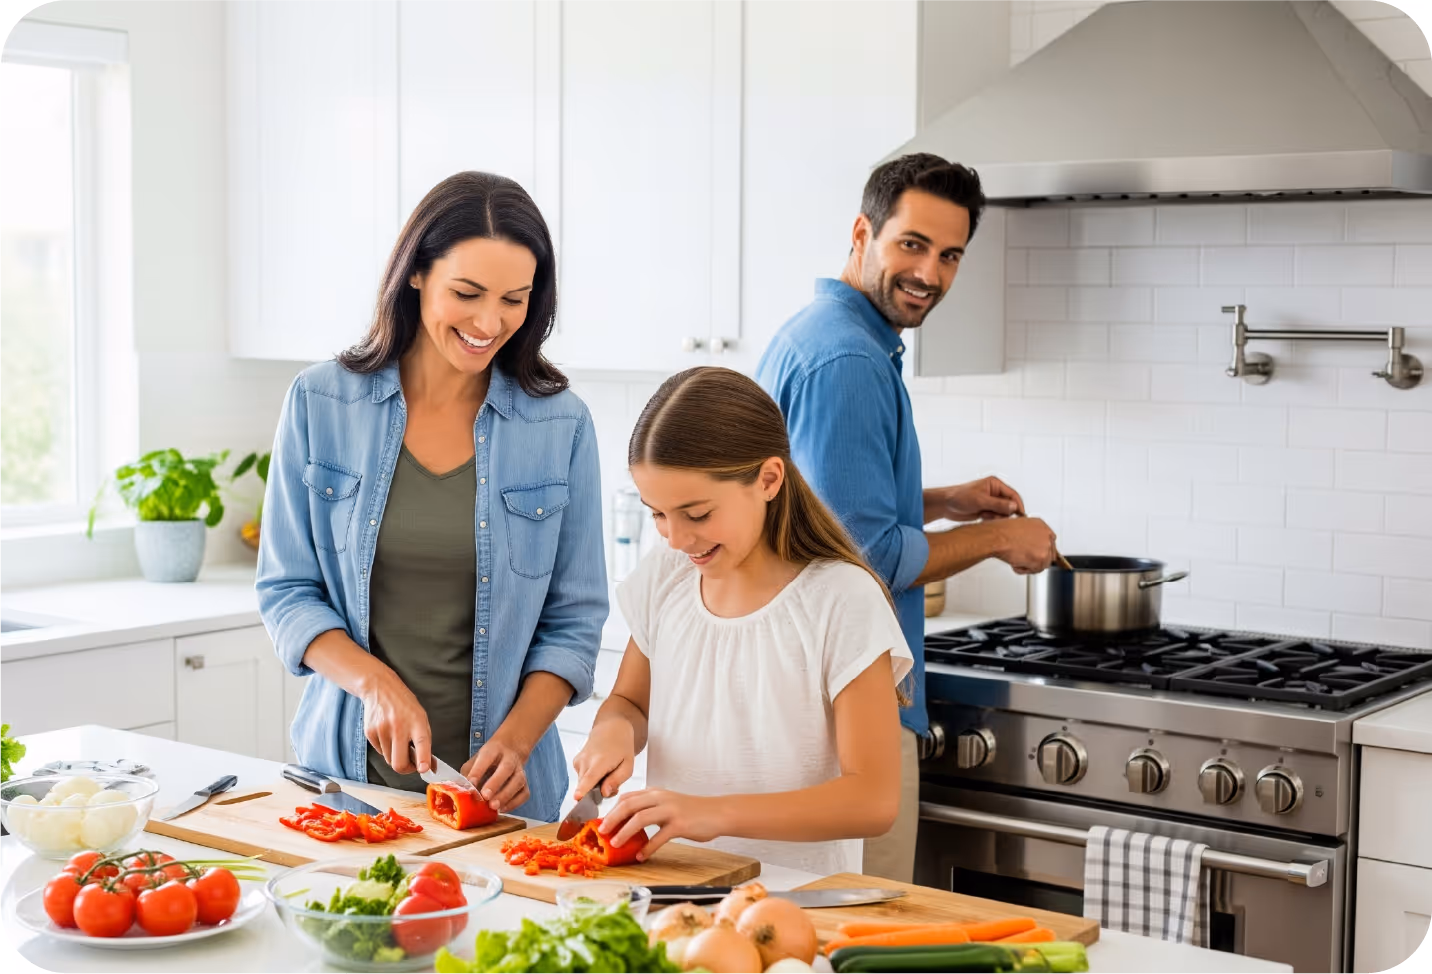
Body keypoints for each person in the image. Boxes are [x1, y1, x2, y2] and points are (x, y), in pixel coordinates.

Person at [256, 172, 607, 822]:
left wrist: (517, 740)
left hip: (505, 801)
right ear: (416, 272)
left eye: (514, 299)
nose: (489, 322)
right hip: (347, 788)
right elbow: (286, 590)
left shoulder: (561, 425)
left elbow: (574, 620)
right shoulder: (320, 402)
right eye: (467, 293)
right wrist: (374, 683)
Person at [755, 153, 1057, 882]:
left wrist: (943, 501)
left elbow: (816, 510)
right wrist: (997, 538)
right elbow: (867, 558)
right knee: (867, 921)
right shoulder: (850, 362)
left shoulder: (820, 334)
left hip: (811, 697)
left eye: (950, 255)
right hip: (850, 707)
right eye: (913, 245)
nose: (930, 274)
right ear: (863, 233)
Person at [570, 367, 911, 875]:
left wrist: (714, 814)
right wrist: (613, 731)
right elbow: (630, 702)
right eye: (657, 514)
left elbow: (873, 800)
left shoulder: (841, 599)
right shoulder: (667, 575)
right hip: (677, 889)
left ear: (768, 479)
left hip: (798, 901)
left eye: (697, 514)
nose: (676, 539)